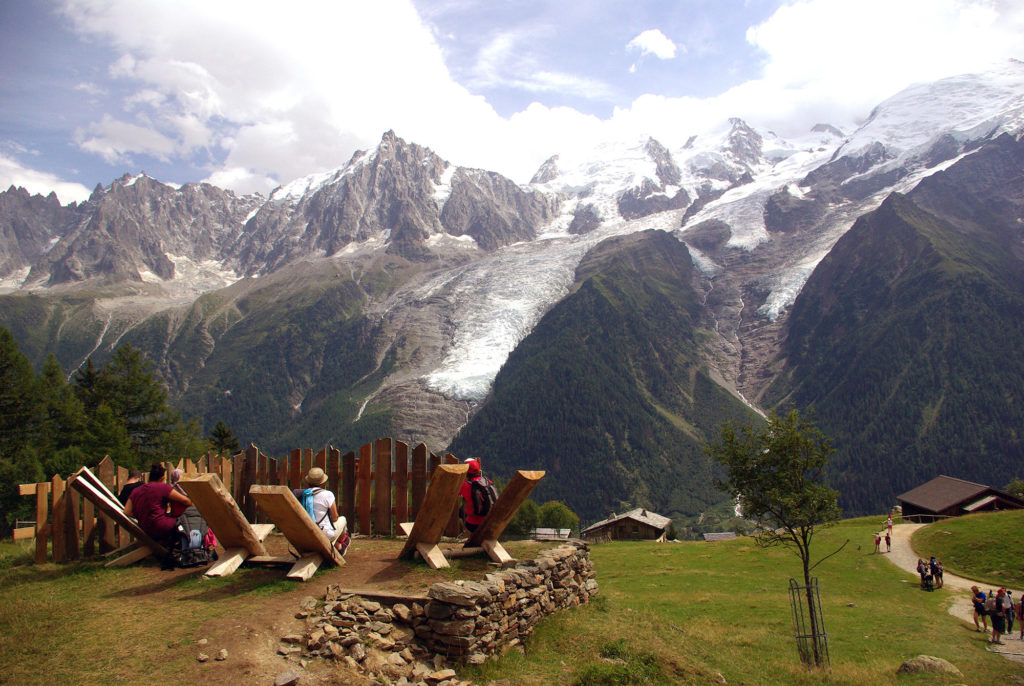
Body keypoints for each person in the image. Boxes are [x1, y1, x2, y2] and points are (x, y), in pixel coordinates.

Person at [125, 463, 191, 568]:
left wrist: (142, 515)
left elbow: (127, 511)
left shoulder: (136, 490)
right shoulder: (162, 487)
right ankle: (190, 551)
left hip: (144, 526)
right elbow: (186, 501)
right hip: (161, 526)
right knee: (186, 522)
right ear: (162, 477)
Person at [293, 468, 349, 555]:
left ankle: (337, 544)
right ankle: (340, 544)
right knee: (343, 519)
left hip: (304, 535)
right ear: (323, 482)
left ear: (308, 482)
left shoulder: (301, 495)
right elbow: (335, 517)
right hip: (323, 534)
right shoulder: (328, 494)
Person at [458, 458, 495, 533]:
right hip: (490, 522)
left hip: (473, 525)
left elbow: (455, 494)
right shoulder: (487, 481)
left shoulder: (464, 485)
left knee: (460, 511)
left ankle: (467, 534)